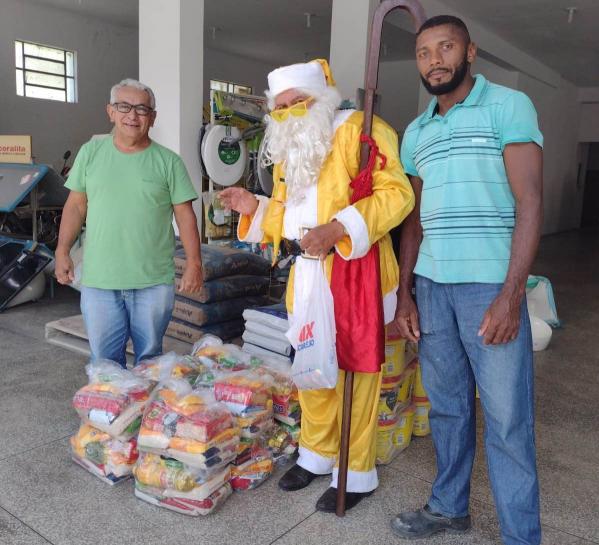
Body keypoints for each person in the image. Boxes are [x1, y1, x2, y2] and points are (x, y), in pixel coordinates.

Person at [220, 59, 414, 512]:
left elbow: (397, 194)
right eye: (280, 108)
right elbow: (291, 217)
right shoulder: (293, 147)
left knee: (354, 374)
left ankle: (355, 472)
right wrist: (255, 205)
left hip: (353, 272)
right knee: (311, 366)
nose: (289, 114)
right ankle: (317, 454)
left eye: (297, 103)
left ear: (321, 98)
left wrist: (340, 227)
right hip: (307, 276)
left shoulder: (360, 131)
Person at [391, 16, 543, 545]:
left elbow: (530, 201)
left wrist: (510, 294)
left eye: (446, 47)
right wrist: (404, 293)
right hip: (432, 287)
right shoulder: (416, 132)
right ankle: (449, 507)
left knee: (506, 421)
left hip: (489, 289)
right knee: (449, 408)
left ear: (469, 51)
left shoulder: (508, 106)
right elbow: (414, 218)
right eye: (424, 52)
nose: (435, 59)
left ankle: (521, 536)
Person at [55, 78, 202, 367]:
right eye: (124, 107)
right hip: (100, 281)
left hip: (152, 282)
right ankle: (110, 414)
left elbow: (185, 215)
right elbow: (75, 205)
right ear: (110, 111)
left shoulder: (168, 162)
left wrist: (195, 263)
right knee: (104, 364)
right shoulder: (90, 153)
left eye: (141, 109)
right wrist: (62, 250)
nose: (132, 116)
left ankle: (142, 412)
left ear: (153, 117)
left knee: (149, 362)